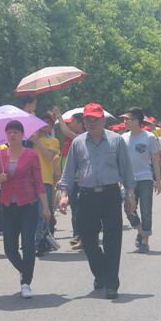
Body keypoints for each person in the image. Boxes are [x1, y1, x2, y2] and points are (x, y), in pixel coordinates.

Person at [59, 102, 136, 299]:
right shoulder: (78, 143)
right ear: (83, 122)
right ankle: (100, 272)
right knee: (89, 240)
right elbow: (69, 172)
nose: (91, 123)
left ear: (103, 120)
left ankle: (111, 283)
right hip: (86, 196)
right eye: (87, 119)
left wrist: (130, 194)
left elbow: (126, 170)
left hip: (110, 194)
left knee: (112, 240)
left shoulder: (116, 141)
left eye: (95, 119)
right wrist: (65, 194)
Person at [0, 120, 51, 299]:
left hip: (28, 205)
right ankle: (25, 271)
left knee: (29, 245)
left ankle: (26, 282)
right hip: (8, 205)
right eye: (9, 132)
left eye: (16, 131)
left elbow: (39, 182)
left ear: (22, 135)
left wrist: (45, 207)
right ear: (6, 135)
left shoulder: (31, 155)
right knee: (9, 248)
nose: (12, 135)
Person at [122, 108, 161, 253]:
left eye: (128, 119)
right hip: (129, 180)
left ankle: (145, 241)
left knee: (146, 210)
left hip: (145, 178)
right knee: (128, 209)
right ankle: (140, 231)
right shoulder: (123, 138)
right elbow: (121, 161)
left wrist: (157, 180)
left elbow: (155, 160)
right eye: (125, 119)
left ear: (138, 121)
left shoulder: (149, 137)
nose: (125, 122)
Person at [53, 107, 85, 250]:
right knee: (76, 209)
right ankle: (78, 235)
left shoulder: (83, 136)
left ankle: (83, 235)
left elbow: (65, 131)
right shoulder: (69, 139)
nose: (70, 124)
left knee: (81, 210)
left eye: (73, 122)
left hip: (82, 180)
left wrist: (59, 115)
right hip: (71, 179)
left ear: (80, 123)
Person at [31, 113, 60, 256]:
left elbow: (49, 157)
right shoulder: (29, 138)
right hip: (29, 181)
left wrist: (37, 142)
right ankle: (38, 240)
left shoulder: (53, 141)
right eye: (44, 121)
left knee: (43, 213)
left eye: (49, 122)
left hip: (45, 181)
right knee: (32, 214)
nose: (46, 124)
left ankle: (39, 242)